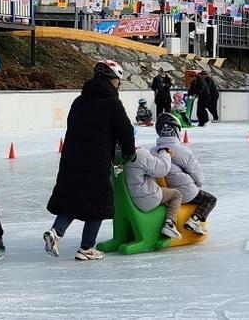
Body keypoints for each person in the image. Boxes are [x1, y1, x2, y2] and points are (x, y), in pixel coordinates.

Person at [43, 59, 135, 261]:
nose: (118, 85)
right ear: (112, 80)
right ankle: (87, 247)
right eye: (118, 81)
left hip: (72, 159)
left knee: (72, 200)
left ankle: (56, 232)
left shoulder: (79, 101)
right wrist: (129, 152)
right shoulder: (112, 103)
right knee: (98, 203)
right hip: (96, 160)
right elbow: (126, 131)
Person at [153, 113, 217, 235]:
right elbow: (196, 173)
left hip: (163, 192)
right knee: (210, 199)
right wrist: (198, 184)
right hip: (185, 193)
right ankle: (194, 220)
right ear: (177, 131)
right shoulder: (183, 151)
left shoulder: (152, 151)